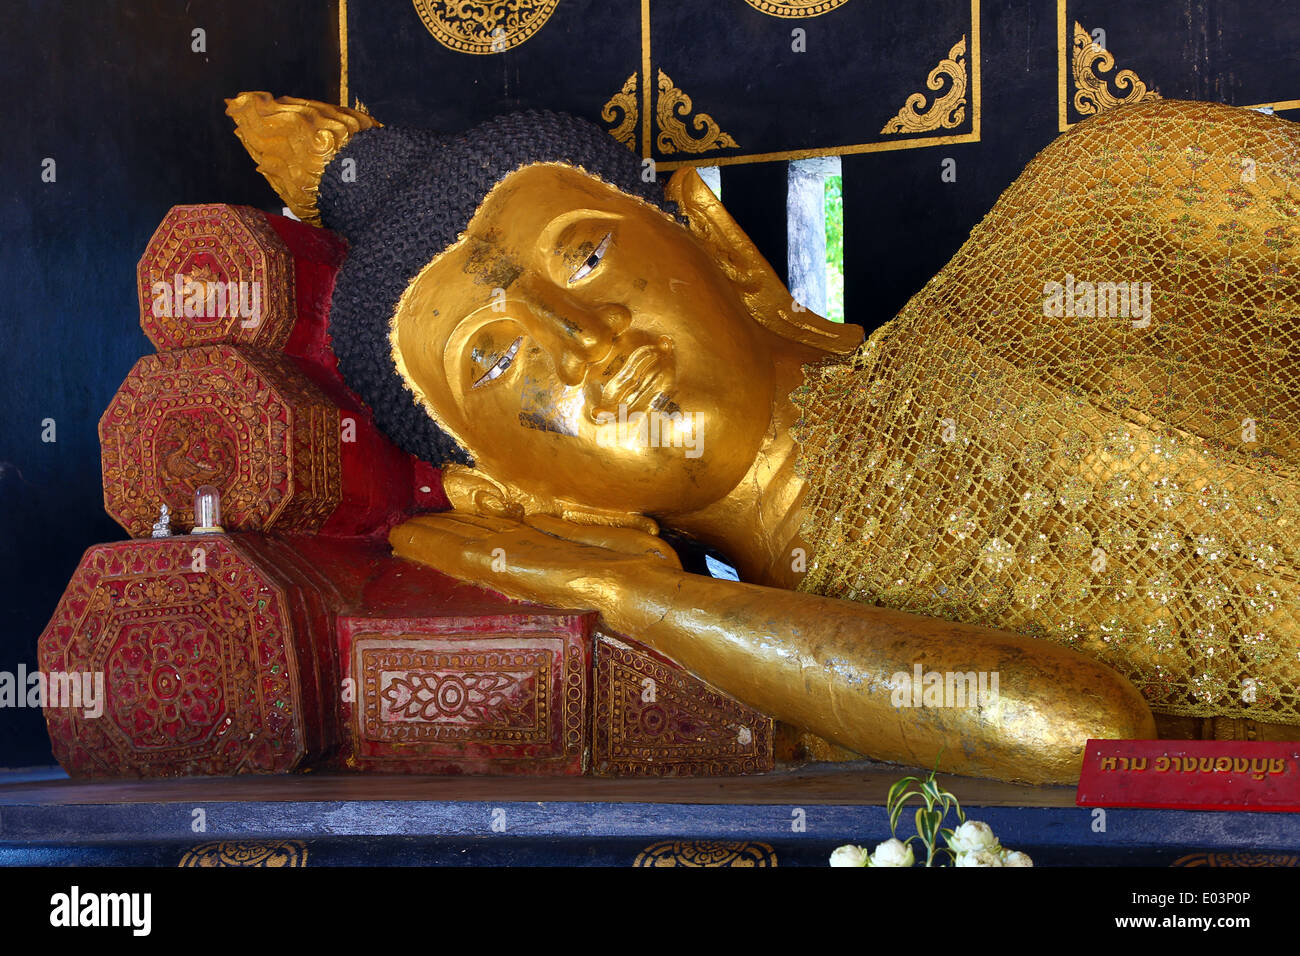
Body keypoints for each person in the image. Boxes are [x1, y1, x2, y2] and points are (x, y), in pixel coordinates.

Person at [226, 93, 1295, 783]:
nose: (583, 340)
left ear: (718, 241)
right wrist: (617, 594)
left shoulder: (1078, 222)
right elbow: (1080, 726)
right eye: (495, 362)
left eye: (586, 256)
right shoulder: (822, 676)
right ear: (522, 497)